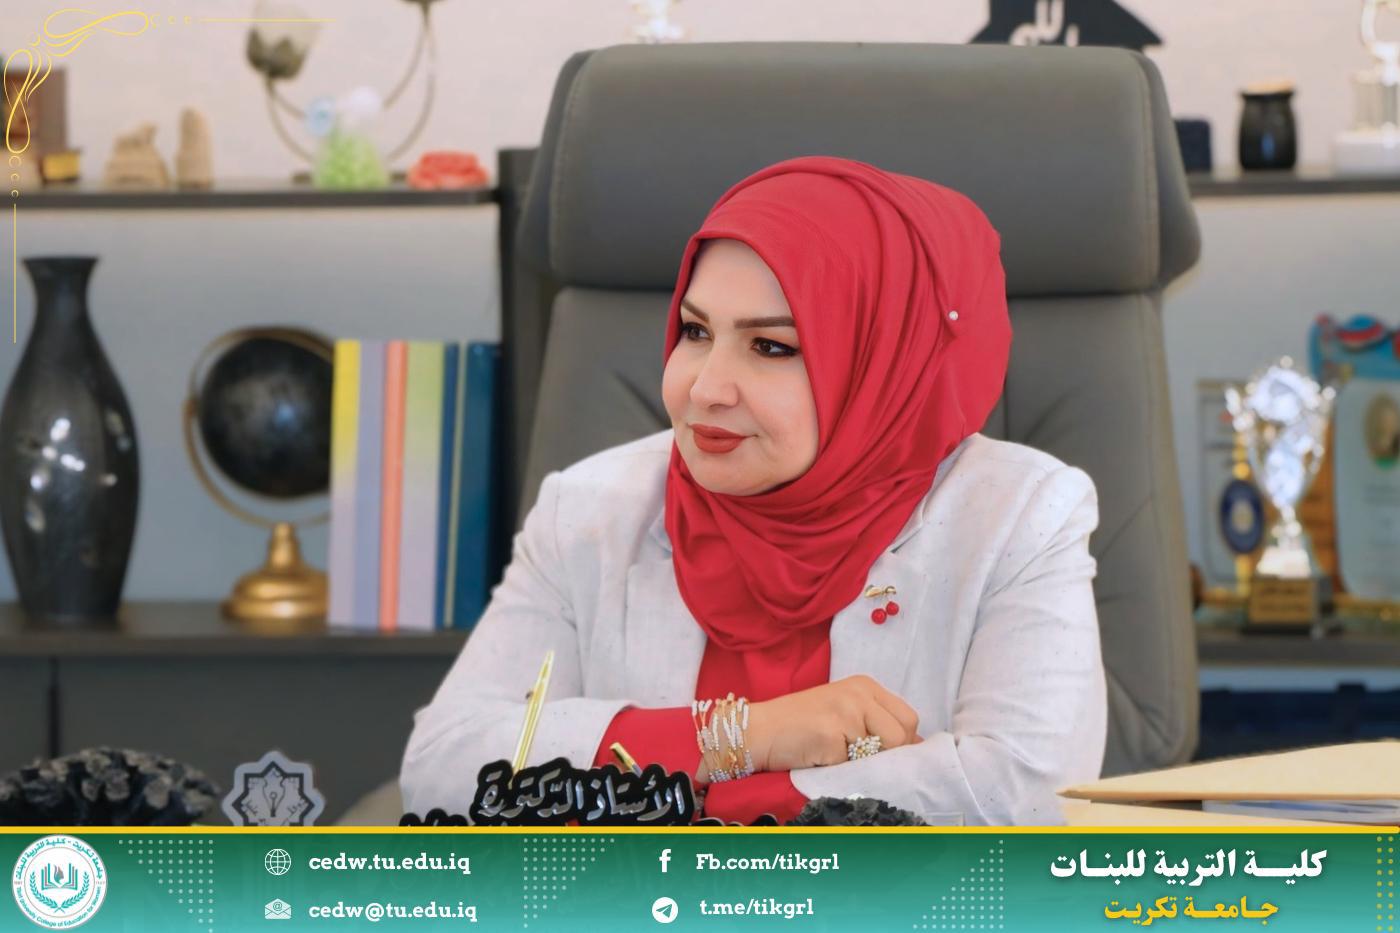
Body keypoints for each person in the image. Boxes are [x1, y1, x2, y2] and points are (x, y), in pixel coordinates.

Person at [400, 155, 1107, 825]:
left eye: (771, 346)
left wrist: (684, 803)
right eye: (695, 331)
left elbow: (1027, 795)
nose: (705, 388)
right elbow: (442, 767)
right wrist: (741, 737)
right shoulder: (588, 508)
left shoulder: (1018, 515)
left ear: (883, 362)